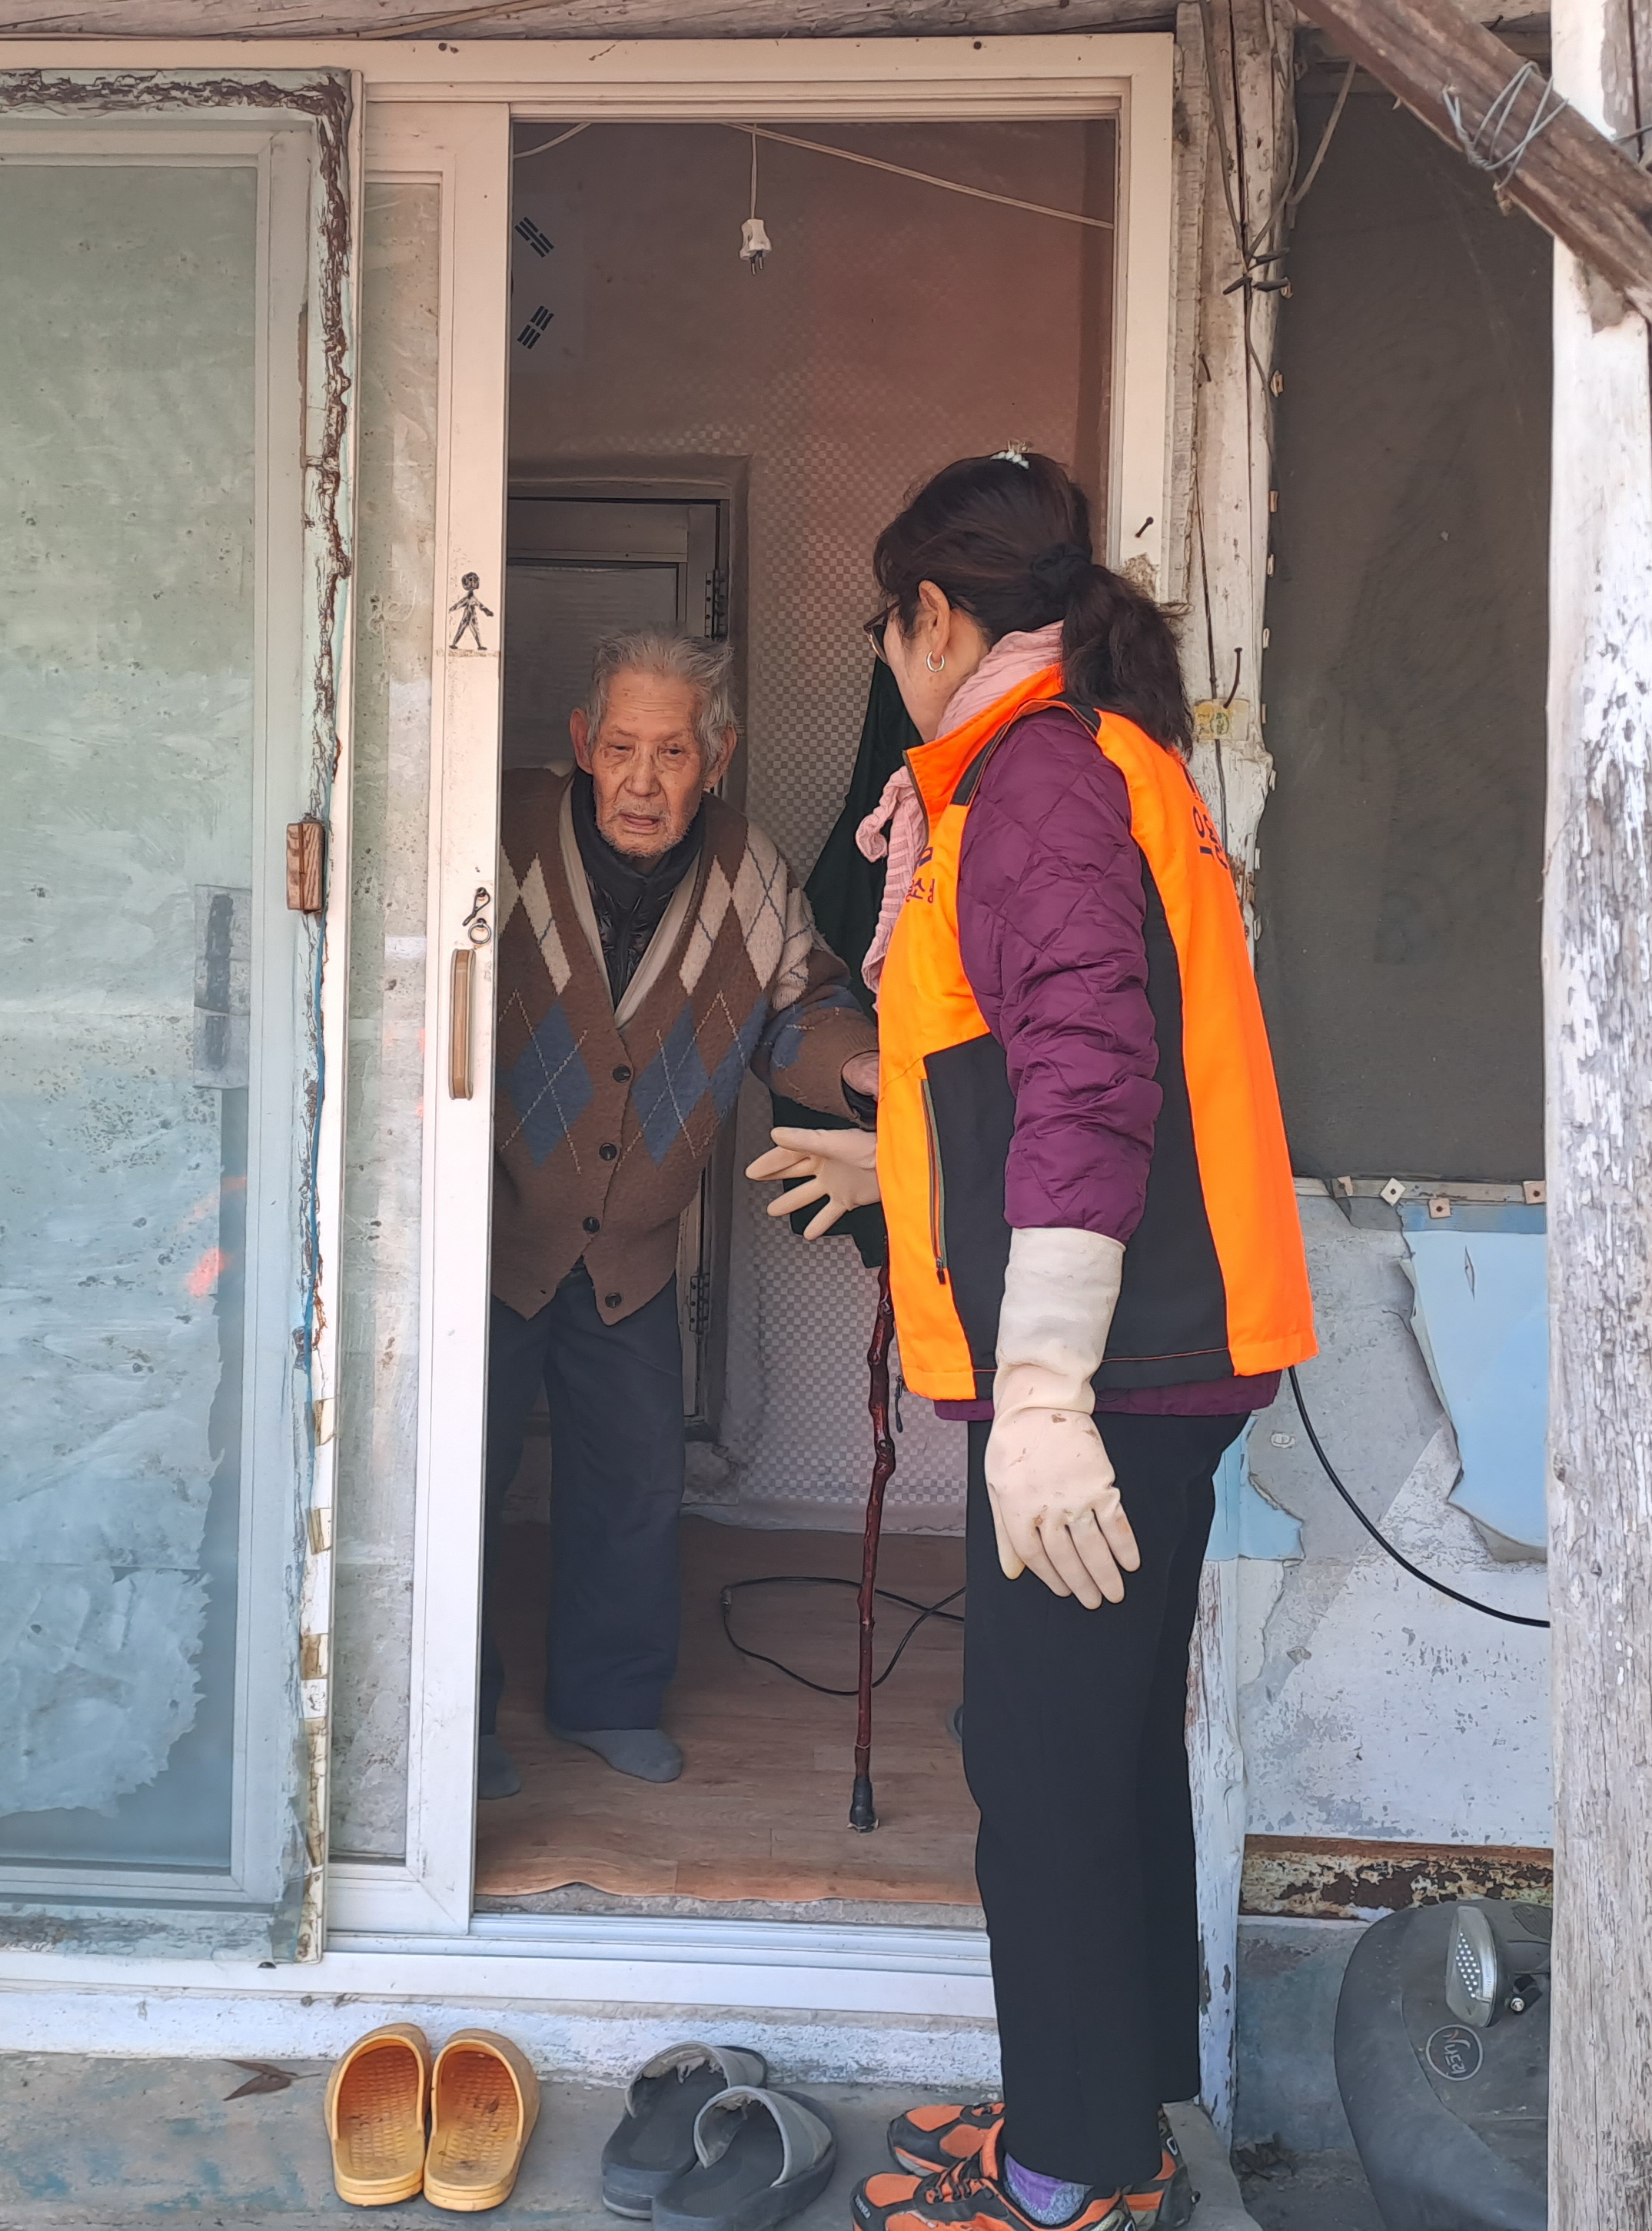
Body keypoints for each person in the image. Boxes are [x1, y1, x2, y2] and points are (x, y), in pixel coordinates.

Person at [753, 452, 1315, 2231]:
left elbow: (1085, 1086)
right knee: (1099, 1744)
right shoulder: (1079, 762)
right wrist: (898, 1167)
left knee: (1042, 1762)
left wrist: (1046, 1397)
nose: (884, 661)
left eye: (884, 628)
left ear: (933, 619)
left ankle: (1066, 2179)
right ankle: (1109, 2117)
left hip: (1112, 1372)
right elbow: (1027, 1077)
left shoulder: (1036, 783)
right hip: (1153, 1351)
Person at [484, 625, 880, 1804]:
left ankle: (608, 1700)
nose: (643, 782)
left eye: (671, 753)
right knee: (454, 1482)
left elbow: (801, 1009)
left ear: (718, 755)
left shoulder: (751, 873)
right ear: (581, 744)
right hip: (483, 1241)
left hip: (633, 1254)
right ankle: (448, 1718)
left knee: (634, 1486)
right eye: (621, 748)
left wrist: (863, 1073)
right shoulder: (493, 829)